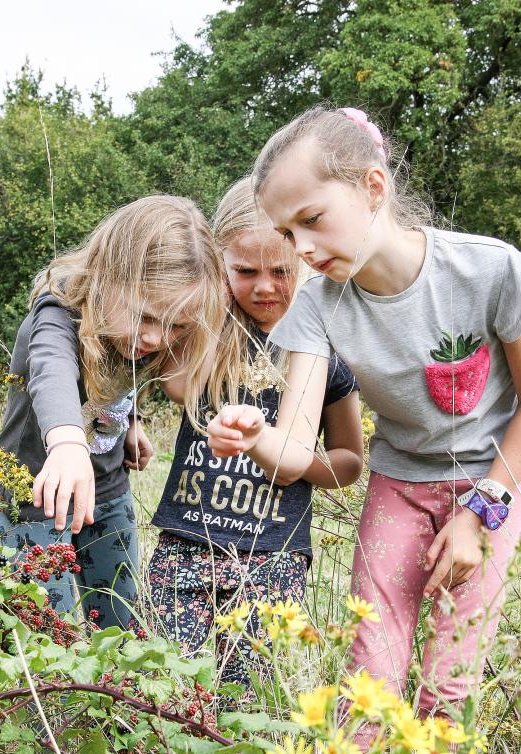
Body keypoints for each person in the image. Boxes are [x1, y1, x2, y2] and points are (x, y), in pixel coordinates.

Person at [206, 107, 521, 726]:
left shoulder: (489, 271)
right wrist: (258, 436)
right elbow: (292, 451)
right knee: (372, 668)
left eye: (311, 220)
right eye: (288, 234)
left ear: (373, 187)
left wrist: (481, 513)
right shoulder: (315, 306)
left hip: (495, 479)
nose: (303, 250)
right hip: (399, 485)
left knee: (450, 679)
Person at [145, 178, 364, 687]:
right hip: (185, 541)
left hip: (273, 551)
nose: (264, 287)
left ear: (308, 265)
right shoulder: (210, 334)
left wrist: (294, 461)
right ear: (220, 267)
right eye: (244, 271)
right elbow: (177, 388)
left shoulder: (324, 349)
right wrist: (211, 300)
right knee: (167, 683)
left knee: (250, 692)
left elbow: (350, 460)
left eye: (281, 271)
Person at [0, 195, 235, 630]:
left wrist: (131, 422)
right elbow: (52, 372)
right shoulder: (56, 317)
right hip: (36, 496)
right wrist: (67, 444)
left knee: (120, 621)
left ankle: (112, 697)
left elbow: (122, 377)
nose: (155, 338)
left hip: (107, 489)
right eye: (146, 317)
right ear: (108, 277)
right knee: (50, 630)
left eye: (176, 327)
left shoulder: (135, 334)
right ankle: (50, 699)